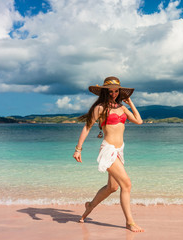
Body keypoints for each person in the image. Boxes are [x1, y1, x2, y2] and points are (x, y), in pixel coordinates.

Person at [73, 76, 144, 232]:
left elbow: (139, 121)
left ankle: (89, 206)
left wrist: (130, 103)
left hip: (119, 150)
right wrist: (78, 149)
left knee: (112, 187)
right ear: (105, 92)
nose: (113, 94)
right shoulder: (100, 108)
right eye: (110, 91)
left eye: (116, 91)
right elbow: (87, 127)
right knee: (127, 184)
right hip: (108, 150)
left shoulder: (123, 108)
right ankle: (130, 222)